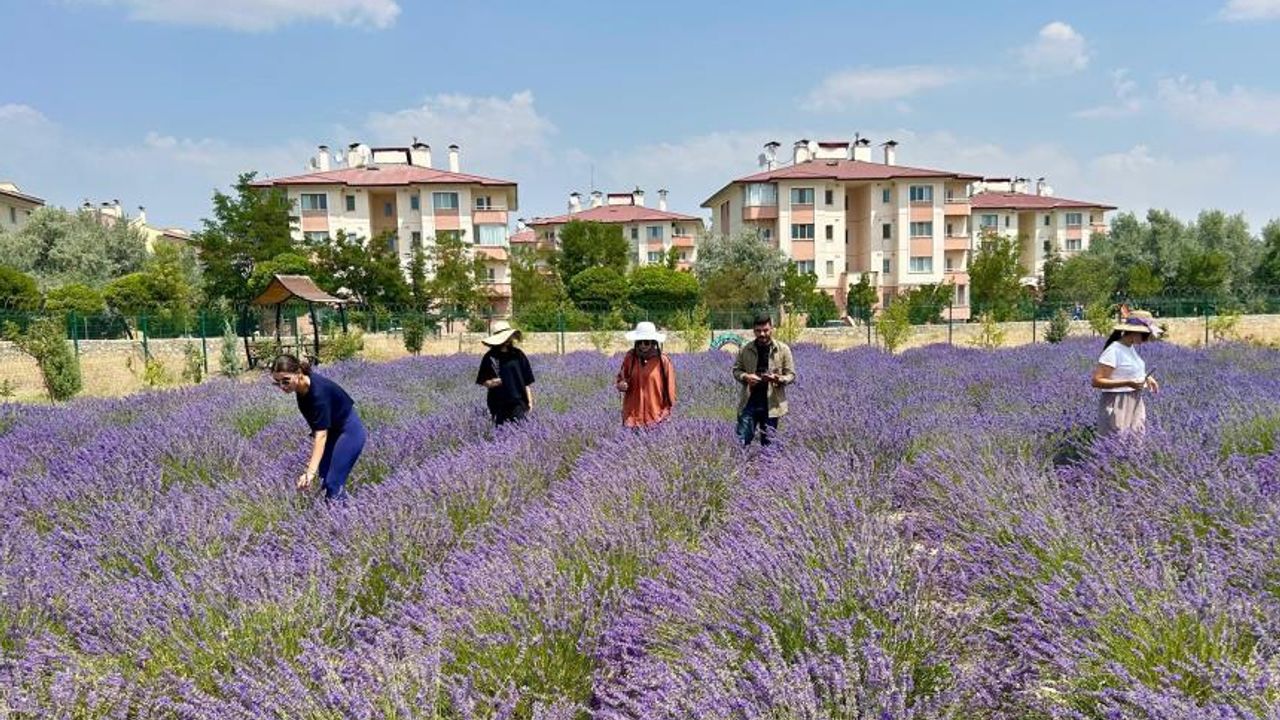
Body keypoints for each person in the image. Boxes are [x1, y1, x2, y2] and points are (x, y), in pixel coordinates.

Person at [270, 354, 366, 500]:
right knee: (324, 481)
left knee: (333, 483)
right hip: (333, 431)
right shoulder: (302, 389)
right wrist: (312, 465)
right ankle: (339, 510)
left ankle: (346, 513)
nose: (282, 387)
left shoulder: (318, 393)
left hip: (349, 431)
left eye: (286, 381)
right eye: (277, 383)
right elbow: (318, 429)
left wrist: (310, 472)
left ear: (298, 373)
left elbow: (321, 435)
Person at [1091, 310, 1162, 436]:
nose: (1147, 340)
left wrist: (1147, 377)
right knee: (1117, 442)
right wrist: (1128, 383)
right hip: (1118, 402)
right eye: (1145, 335)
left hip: (1135, 399)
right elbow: (1096, 381)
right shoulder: (1113, 351)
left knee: (1135, 442)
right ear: (1134, 332)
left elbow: (1127, 370)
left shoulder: (1129, 348)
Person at [732, 314, 796, 446]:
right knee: (741, 441)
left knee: (768, 446)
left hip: (772, 404)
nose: (762, 334)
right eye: (758, 331)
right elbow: (736, 370)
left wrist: (778, 379)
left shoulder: (783, 349)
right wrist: (746, 377)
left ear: (772, 329)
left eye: (765, 330)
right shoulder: (745, 349)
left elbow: (791, 375)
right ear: (753, 330)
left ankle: (764, 460)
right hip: (749, 402)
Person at [615, 321, 677, 428]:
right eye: (640, 342)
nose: (643, 345)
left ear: (653, 342)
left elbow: (670, 392)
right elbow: (621, 378)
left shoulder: (663, 361)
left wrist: (666, 414)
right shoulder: (630, 358)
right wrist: (621, 385)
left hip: (655, 418)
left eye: (646, 342)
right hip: (632, 418)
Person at [475, 320, 534, 425]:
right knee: (500, 431)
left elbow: (527, 381)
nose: (508, 340)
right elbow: (483, 380)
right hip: (498, 403)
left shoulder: (518, 355)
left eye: (509, 337)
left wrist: (529, 401)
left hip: (518, 402)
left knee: (521, 430)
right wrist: (492, 383)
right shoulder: (490, 357)